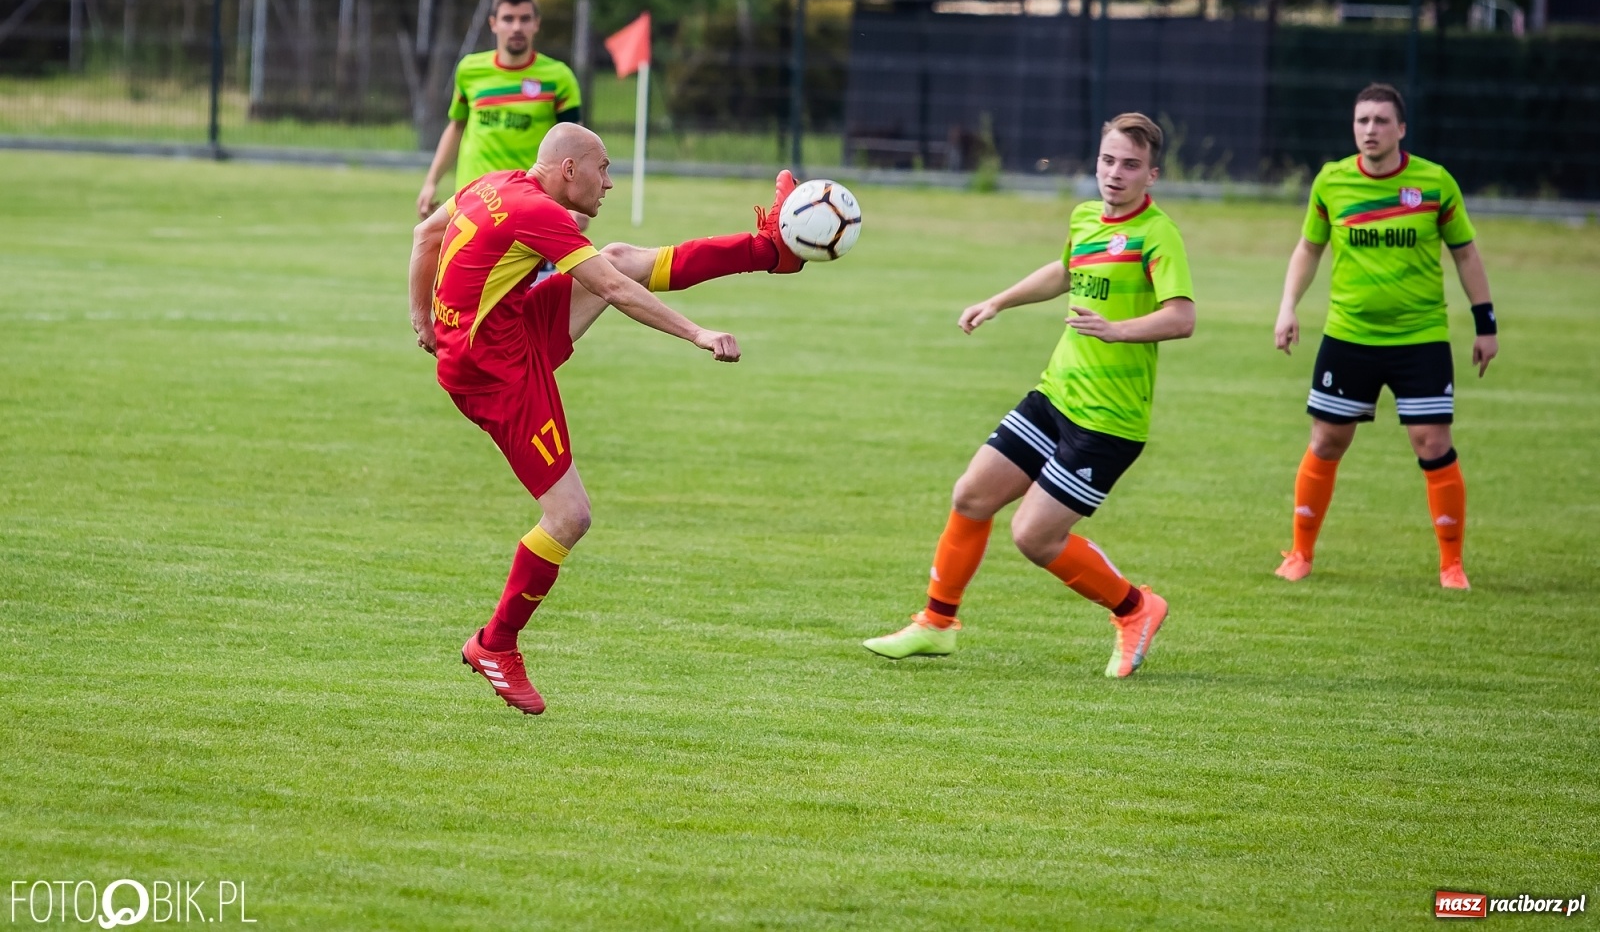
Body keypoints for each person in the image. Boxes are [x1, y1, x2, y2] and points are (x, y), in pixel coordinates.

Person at [409, 125, 805, 714]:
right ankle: (495, 644)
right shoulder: (541, 217)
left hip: (495, 333)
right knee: (570, 516)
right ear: (569, 170)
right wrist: (698, 332)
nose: (611, 181)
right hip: (496, 372)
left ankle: (769, 250)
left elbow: (425, 234)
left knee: (618, 252)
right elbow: (614, 291)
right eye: (604, 167)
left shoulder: (495, 184)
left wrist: (423, 319)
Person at [863, 113, 1194, 678]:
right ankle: (936, 625)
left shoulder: (1157, 234)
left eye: (1131, 165)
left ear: (1152, 175)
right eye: (1108, 160)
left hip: (1107, 421)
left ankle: (1137, 608)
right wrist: (997, 301)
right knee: (971, 495)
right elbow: (1064, 272)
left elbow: (1181, 318)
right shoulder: (1087, 217)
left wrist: (1117, 329)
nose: (1116, 174)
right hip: (1056, 394)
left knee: (1034, 536)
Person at [1273, 83, 1498, 590]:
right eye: (1361, 121)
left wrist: (1486, 325)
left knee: (1432, 442)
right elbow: (1308, 249)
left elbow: (1466, 253)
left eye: (1379, 121)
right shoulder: (1332, 183)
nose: (1369, 130)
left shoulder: (1435, 183)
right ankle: (1300, 553)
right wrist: (1288, 308)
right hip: (1349, 336)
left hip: (1420, 337)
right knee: (1327, 441)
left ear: (1401, 128)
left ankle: (1452, 565)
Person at [416, 0, 582, 222]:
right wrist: (431, 182)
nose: (516, 27)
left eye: (525, 19)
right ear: (493, 23)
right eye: (508, 19)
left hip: (532, 203)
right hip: (475, 201)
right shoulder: (470, 70)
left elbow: (574, 143)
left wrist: (574, 202)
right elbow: (456, 127)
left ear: (536, 24)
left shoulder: (558, 77)